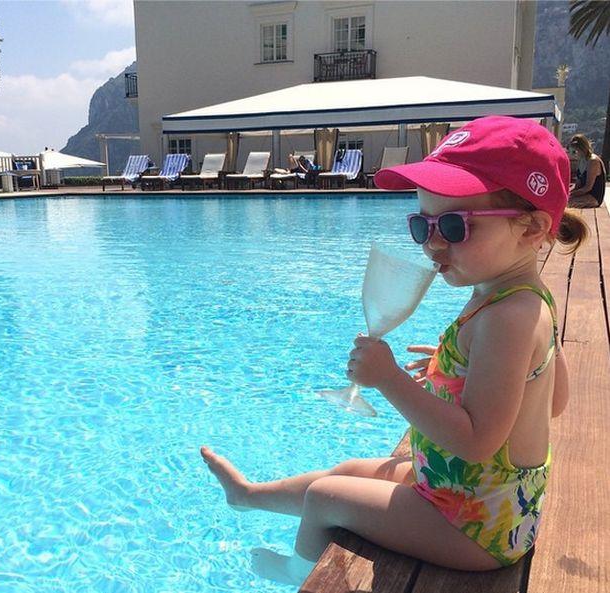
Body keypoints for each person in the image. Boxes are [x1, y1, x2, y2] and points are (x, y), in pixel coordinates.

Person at [201, 116, 587, 586]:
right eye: (421, 225)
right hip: (482, 497)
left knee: (327, 497)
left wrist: (390, 379)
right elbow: (555, 399)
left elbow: (475, 441)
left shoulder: (506, 318)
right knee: (348, 471)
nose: (433, 244)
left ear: (531, 229)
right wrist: (461, 376)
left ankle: (294, 573)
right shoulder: (517, 295)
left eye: (453, 225)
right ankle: (247, 494)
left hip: (479, 526)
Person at [568, 133, 606, 207]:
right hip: (584, 194)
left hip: (594, 197)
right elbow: (578, 185)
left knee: (566, 204)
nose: (574, 154)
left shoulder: (593, 161)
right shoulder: (581, 160)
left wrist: (569, 194)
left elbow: (588, 187)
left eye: (575, 151)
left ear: (581, 149)